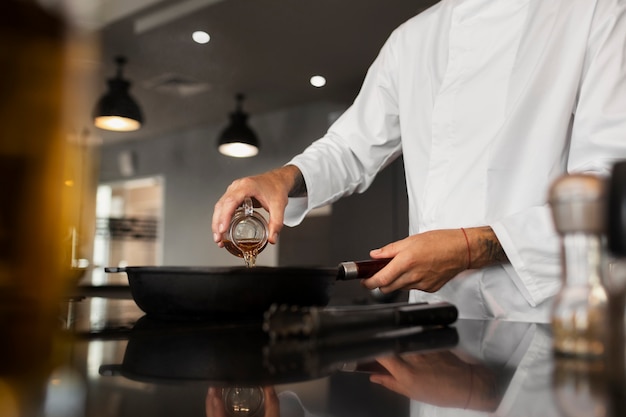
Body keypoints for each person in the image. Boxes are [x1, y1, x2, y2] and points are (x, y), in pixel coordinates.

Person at [213, 0, 626, 323]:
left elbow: (607, 191)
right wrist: (283, 178)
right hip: (434, 319)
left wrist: (470, 247)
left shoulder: (597, 13)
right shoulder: (411, 40)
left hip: (551, 318)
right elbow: (349, 146)